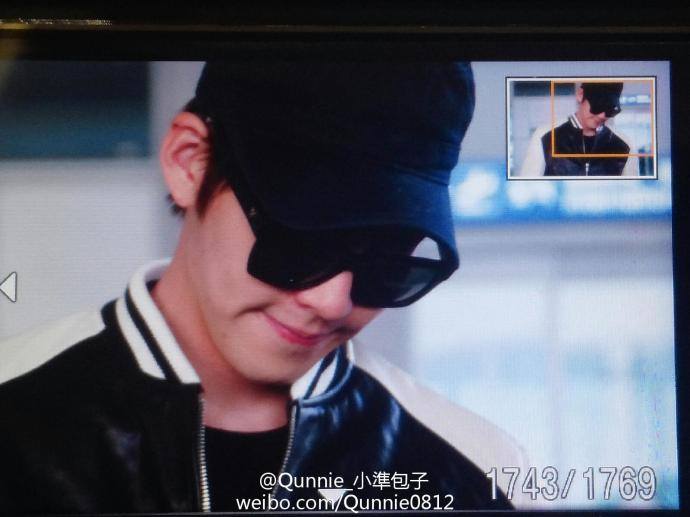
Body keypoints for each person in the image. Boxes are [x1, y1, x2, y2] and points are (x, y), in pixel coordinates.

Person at [0, 62, 527, 513]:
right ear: (190, 162)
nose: (332, 302)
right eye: (299, 239)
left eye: (386, 262)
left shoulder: (481, 472)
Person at [517, 82, 639, 177]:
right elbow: (527, 189)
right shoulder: (545, 136)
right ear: (580, 95)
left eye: (610, 110)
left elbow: (632, 194)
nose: (602, 115)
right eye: (598, 106)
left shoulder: (624, 145)